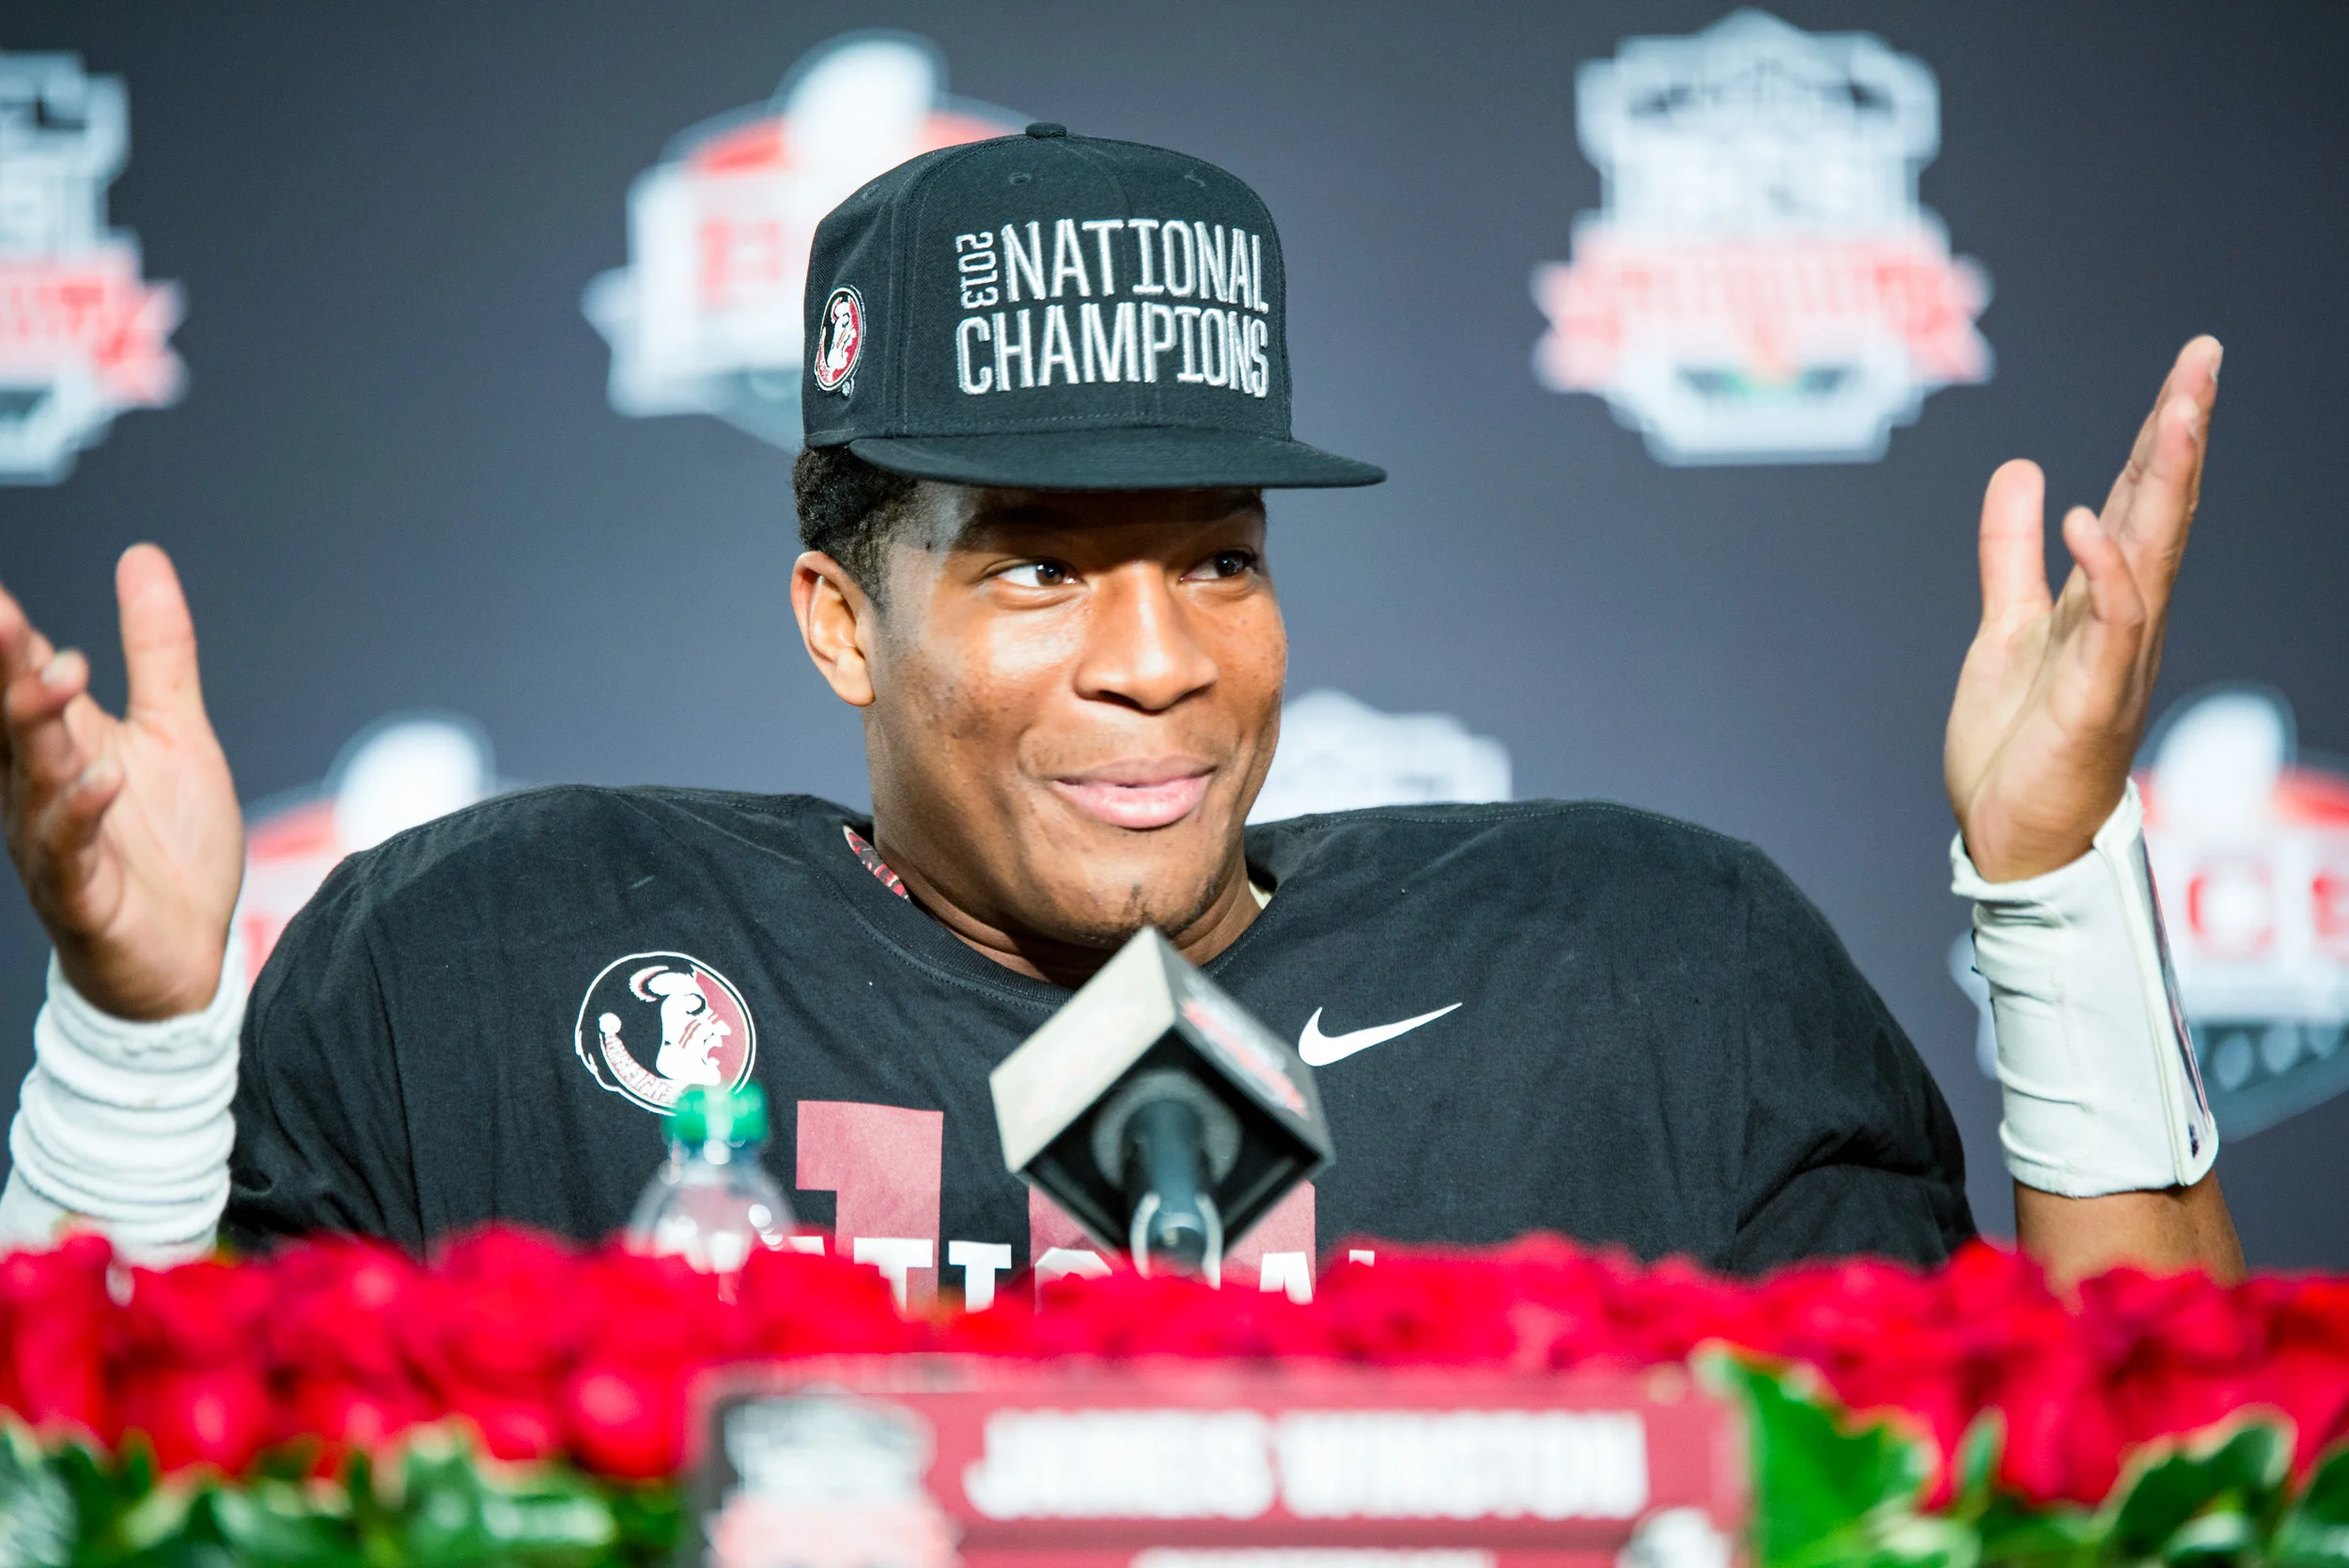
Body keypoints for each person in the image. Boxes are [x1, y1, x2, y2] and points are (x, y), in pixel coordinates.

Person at [0, 126, 2241, 1292]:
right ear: (838, 621)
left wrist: (2046, 881)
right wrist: (134, 1038)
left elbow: (2144, 1500)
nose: (1157, 658)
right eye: (1040, 566)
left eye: (1218, 561)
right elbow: (109, 1511)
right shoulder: (487, 964)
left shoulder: (1644, 973)